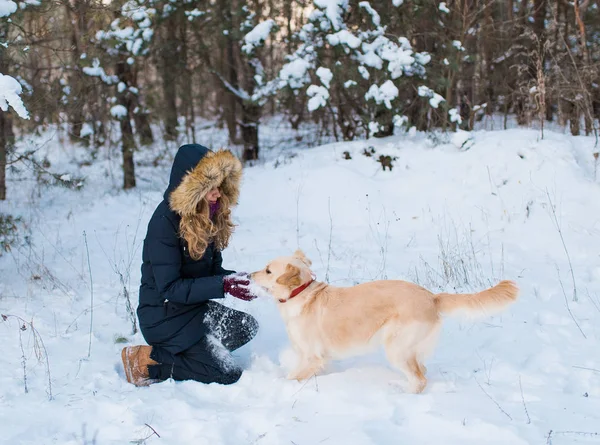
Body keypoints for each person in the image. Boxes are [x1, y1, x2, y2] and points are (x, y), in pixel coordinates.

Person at [121, 144, 259, 387]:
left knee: (246, 327)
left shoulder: (207, 217)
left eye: (220, 187)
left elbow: (213, 274)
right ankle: (147, 360)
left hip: (192, 308)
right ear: (193, 189)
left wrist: (247, 280)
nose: (217, 194)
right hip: (163, 316)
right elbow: (171, 288)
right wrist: (223, 285)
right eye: (211, 188)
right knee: (227, 374)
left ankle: (195, 351)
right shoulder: (164, 223)